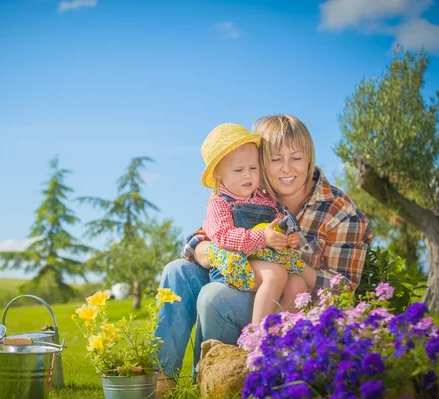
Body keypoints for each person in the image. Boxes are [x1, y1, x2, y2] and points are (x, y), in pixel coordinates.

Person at [155, 114, 372, 392]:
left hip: (286, 301)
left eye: (296, 158)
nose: (286, 169)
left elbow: (340, 293)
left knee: (214, 296)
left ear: (309, 159)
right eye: (274, 159)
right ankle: (162, 379)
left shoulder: (341, 214)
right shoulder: (251, 189)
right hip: (244, 274)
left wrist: (288, 262)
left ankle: (212, 381)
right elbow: (206, 235)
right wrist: (207, 250)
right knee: (177, 271)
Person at [198, 123, 314, 324]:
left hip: (264, 265)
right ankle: (256, 337)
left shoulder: (266, 199)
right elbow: (223, 236)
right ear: (218, 173)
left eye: (253, 168)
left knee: (297, 283)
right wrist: (263, 237)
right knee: (276, 273)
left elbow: (278, 225)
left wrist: (288, 238)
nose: (248, 175)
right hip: (234, 265)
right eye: (238, 170)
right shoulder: (219, 202)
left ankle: (278, 334)